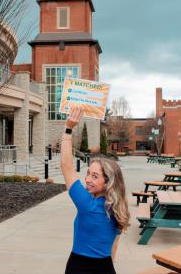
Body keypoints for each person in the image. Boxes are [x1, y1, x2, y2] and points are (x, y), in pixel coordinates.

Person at [60, 106, 130, 274]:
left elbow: (66, 166)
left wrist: (68, 129)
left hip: (79, 268)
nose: (88, 180)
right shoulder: (119, 210)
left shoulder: (88, 205)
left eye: (95, 176)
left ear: (108, 183)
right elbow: (113, 250)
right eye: (88, 174)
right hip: (106, 268)